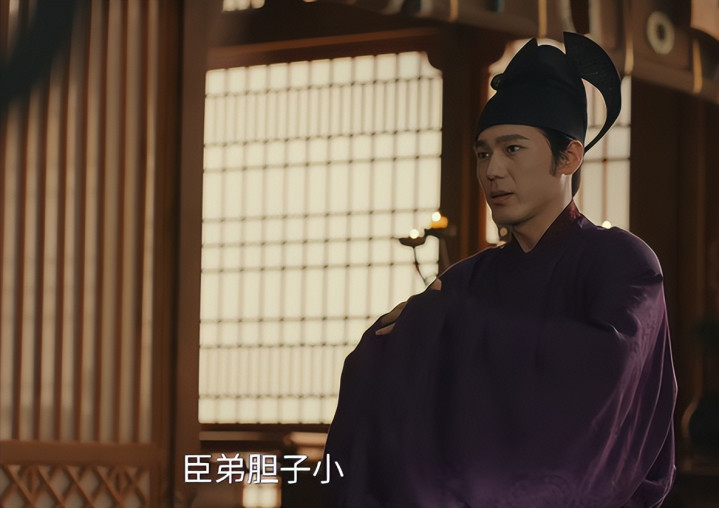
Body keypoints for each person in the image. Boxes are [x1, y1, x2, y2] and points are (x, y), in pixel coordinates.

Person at [323, 32, 677, 507]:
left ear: (569, 157)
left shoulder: (624, 263)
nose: (492, 170)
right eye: (483, 153)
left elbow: (603, 374)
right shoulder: (467, 279)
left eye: (513, 149)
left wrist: (449, 323)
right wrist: (396, 340)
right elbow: (385, 378)